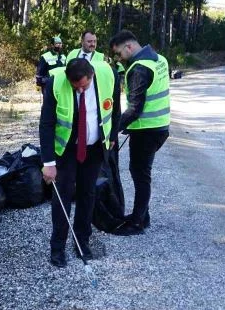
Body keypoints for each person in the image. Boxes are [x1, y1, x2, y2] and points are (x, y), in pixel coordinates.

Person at [40, 58, 120, 267]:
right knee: (62, 196)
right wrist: (48, 162)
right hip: (66, 150)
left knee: (87, 194)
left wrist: (112, 135)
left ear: (91, 75)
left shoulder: (108, 74)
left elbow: (116, 107)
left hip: (94, 149)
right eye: (76, 87)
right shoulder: (56, 82)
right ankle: (57, 247)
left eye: (84, 86)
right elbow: (46, 124)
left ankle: (81, 241)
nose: (80, 90)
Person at [109, 30, 170, 235]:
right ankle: (142, 215)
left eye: (119, 53)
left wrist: (112, 130)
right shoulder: (159, 59)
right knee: (142, 173)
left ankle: (137, 223)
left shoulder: (139, 69)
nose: (119, 58)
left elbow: (135, 109)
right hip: (160, 127)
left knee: (140, 175)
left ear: (129, 47)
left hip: (146, 131)